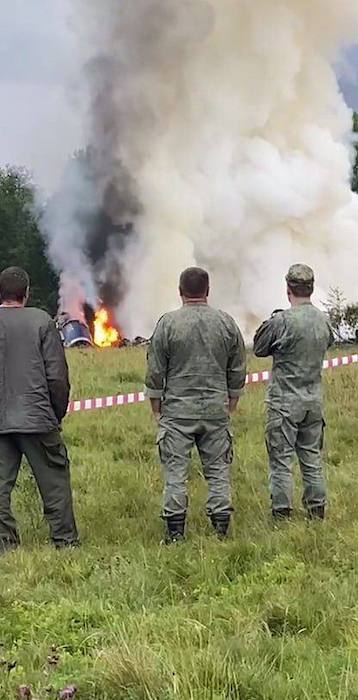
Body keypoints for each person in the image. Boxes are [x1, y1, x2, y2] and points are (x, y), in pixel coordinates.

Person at [145, 267, 246, 543]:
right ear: (208, 290)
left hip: (177, 413)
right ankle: (221, 530)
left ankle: (175, 534)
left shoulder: (167, 324)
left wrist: (156, 408)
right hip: (215, 410)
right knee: (218, 472)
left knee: (175, 474)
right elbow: (237, 369)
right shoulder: (226, 323)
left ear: (180, 291)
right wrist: (231, 404)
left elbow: (155, 371)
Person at [0, 267, 79, 552]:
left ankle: (6, 545)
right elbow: (57, 377)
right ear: (27, 293)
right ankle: (64, 541)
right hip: (37, 419)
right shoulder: (42, 322)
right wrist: (55, 414)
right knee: (55, 481)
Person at [253, 264, 334, 520]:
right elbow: (328, 342)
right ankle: (316, 512)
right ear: (311, 288)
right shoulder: (323, 320)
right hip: (313, 402)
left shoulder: (282, 321)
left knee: (281, 462)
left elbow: (259, 347)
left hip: (284, 403)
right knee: (311, 459)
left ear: (288, 289)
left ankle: (281, 515)